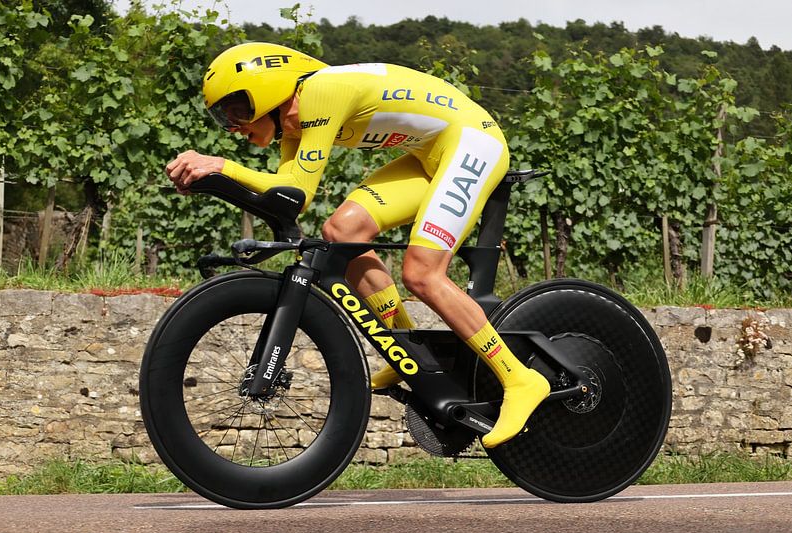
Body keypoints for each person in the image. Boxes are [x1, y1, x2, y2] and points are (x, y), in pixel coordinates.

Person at [166, 42, 550, 448]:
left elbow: (295, 190)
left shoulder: (320, 93)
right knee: (342, 234)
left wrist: (219, 166)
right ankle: (409, 351)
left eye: (239, 111)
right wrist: (214, 183)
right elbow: (285, 197)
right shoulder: (292, 126)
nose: (235, 126)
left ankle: (520, 378)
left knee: (421, 272)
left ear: (268, 90)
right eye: (224, 118)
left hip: (474, 143)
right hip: (430, 154)